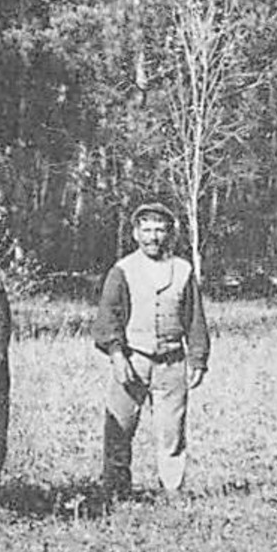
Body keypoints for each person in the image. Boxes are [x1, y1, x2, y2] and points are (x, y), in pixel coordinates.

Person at [92, 201, 211, 498]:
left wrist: (198, 359)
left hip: (172, 364)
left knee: (172, 431)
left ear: (169, 233)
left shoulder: (182, 271)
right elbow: (108, 317)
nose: (153, 237)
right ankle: (117, 489)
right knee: (119, 427)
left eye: (159, 230)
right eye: (146, 230)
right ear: (135, 234)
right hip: (133, 359)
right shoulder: (122, 271)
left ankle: (172, 489)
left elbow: (195, 319)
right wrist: (118, 356)